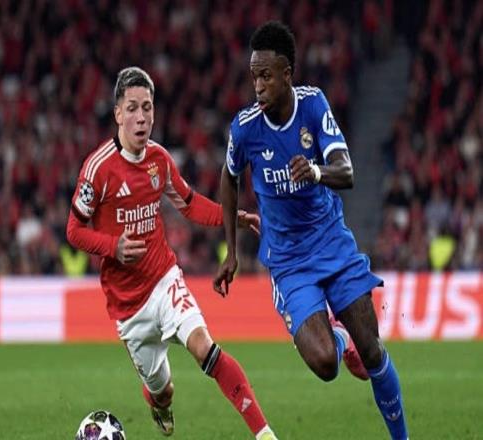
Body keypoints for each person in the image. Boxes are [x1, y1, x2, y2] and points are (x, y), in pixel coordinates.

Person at [214, 21, 409, 440]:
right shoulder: (245, 128)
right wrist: (231, 250)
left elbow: (347, 171)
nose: (258, 86)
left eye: (266, 76)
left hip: (332, 243)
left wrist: (316, 170)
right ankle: (338, 339)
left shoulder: (314, 105)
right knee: (324, 364)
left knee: (373, 353)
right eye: (253, 77)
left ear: (287, 74)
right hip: (289, 261)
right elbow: (228, 178)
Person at [67, 66, 278, 440]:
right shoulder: (98, 169)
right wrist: (113, 247)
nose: (141, 117)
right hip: (128, 308)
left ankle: (264, 434)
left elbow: (190, 203)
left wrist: (232, 216)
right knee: (163, 391)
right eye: (132, 108)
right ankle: (159, 402)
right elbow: (74, 230)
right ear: (117, 114)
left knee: (204, 348)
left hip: (164, 280)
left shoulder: (159, 160)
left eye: (147, 107)